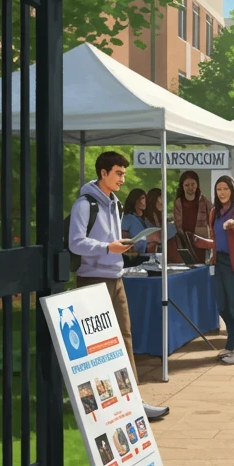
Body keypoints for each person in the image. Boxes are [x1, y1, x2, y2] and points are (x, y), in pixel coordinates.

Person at [68, 151, 170, 421]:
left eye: (124, 173)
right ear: (103, 173)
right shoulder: (85, 204)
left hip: (116, 277)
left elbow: (109, 240)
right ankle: (91, 404)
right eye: (119, 173)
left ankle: (133, 400)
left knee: (124, 338)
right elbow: (75, 243)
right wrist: (107, 247)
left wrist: (121, 246)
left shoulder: (113, 202)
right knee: (93, 345)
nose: (123, 179)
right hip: (92, 280)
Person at [191, 175, 234, 365]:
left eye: (225, 189)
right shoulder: (215, 212)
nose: (222, 193)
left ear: (232, 189)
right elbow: (219, 239)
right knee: (222, 306)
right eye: (219, 189)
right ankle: (232, 341)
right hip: (220, 262)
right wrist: (206, 246)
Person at [170, 170, 211, 265]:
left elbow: (212, 221)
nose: (190, 188)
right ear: (182, 186)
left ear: (197, 185)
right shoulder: (178, 203)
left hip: (201, 243)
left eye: (193, 184)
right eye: (187, 185)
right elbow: (177, 224)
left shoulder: (205, 202)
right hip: (184, 243)